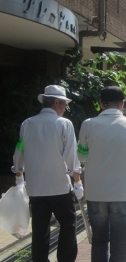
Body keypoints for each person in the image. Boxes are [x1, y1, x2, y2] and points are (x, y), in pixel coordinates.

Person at [77, 86, 126, 262]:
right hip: (123, 194)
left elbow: (81, 155)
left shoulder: (88, 124)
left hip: (96, 194)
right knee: (120, 247)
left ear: (102, 104)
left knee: (99, 242)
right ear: (122, 104)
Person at [12, 85, 83, 262]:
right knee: (68, 224)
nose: (65, 108)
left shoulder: (27, 124)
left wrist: (19, 175)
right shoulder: (64, 124)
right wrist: (78, 182)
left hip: (36, 188)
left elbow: (19, 150)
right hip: (59, 186)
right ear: (57, 102)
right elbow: (71, 157)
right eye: (64, 104)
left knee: (40, 228)